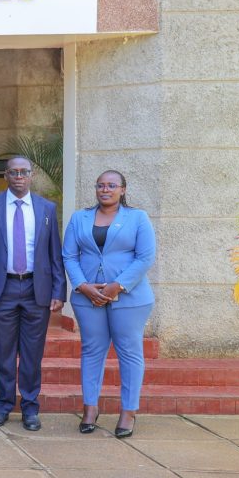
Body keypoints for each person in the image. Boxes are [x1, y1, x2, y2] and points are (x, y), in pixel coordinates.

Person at [63, 170, 155, 438]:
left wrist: (117, 286)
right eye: (101, 185)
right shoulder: (79, 218)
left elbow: (145, 257)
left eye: (112, 185)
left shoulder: (138, 218)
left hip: (129, 297)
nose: (105, 189)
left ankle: (128, 412)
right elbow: (69, 255)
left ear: (123, 189)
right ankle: (90, 408)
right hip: (87, 297)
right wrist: (82, 286)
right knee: (92, 350)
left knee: (129, 352)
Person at [0, 156, 66, 432]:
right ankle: (3, 405)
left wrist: (58, 290)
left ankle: (30, 407)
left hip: (34, 289)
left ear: (32, 175)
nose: (19, 176)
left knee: (32, 353)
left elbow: (55, 253)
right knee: (3, 352)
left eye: (24, 172)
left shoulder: (47, 208)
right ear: (5, 175)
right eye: (14, 172)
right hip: (1, 288)